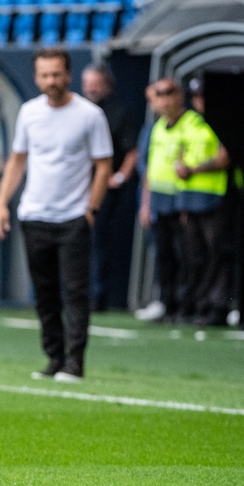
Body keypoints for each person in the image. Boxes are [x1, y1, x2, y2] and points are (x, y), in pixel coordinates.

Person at [0, 48, 113, 383]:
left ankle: (75, 363)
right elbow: (17, 159)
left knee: (75, 292)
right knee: (44, 293)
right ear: (36, 77)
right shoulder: (29, 112)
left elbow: (104, 165)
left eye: (57, 74)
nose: (51, 81)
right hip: (34, 216)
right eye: (45, 75)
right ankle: (54, 358)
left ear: (68, 75)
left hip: (73, 218)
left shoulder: (90, 115)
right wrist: (1, 202)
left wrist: (90, 210)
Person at [82, 63, 140, 312]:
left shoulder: (118, 112)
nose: (91, 89)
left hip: (103, 186)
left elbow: (131, 150)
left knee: (97, 238)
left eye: (96, 84)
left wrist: (120, 177)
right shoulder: (78, 110)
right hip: (78, 186)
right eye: (88, 84)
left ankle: (98, 296)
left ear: (108, 86)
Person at [178, 77, 232, 326]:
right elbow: (180, 154)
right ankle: (197, 305)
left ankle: (218, 306)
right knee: (193, 255)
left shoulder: (223, 120)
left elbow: (224, 157)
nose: (200, 101)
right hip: (191, 198)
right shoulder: (190, 121)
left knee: (217, 253)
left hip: (214, 196)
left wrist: (193, 170)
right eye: (197, 96)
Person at [139, 79, 193, 323]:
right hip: (159, 202)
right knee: (164, 255)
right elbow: (150, 170)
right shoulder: (156, 128)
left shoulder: (191, 124)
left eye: (168, 93)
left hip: (181, 202)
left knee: (186, 256)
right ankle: (166, 302)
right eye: (158, 95)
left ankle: (186, 304)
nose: (163, 100)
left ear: (179, 95)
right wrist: (145, 203)